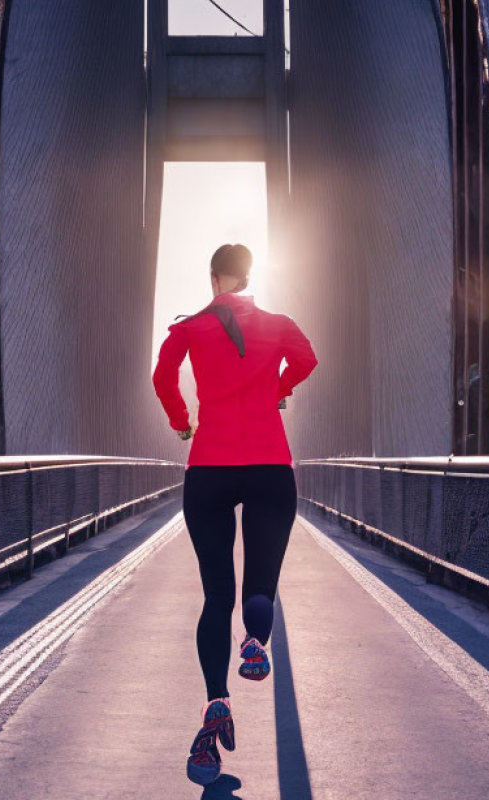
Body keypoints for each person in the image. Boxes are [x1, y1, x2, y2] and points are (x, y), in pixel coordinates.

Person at [151, 243, 317, 786]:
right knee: (259, 586)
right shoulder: (279, 323)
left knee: (217, 594)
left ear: (214, 278)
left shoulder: (189, 329)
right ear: (248, 277)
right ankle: (255, 642)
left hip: (211, 469)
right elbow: (308, 358)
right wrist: (278, 389)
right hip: (270, 465)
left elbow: (163, 377)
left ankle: (216, 701)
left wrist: (182, 423)